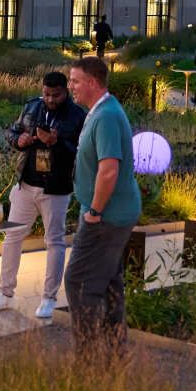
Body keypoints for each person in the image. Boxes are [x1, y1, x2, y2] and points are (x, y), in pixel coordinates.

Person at [0, 71, 85, 320]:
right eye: (46, 94)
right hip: (26, 183)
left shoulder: (78, 115)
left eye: (55, 95)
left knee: (55, 241)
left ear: (66, 92)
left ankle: (49, 298)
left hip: (56, 187)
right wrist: (20, 140)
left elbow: (81, 152)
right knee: (12, 237)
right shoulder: (32, 106)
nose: (49, 99)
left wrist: (56, 142)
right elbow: (12, 132)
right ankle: (4, 293)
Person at [64, 56, 137, 358]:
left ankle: (90, 358)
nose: (71, 87)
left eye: (75, 81)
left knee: (79, 282)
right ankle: (114, 350)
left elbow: (109, 169)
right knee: (108, 281)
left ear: (93, 82)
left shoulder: (106, 115)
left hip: (105, 217)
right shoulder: (101, 111)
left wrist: (93, 211)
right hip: (110, 213)